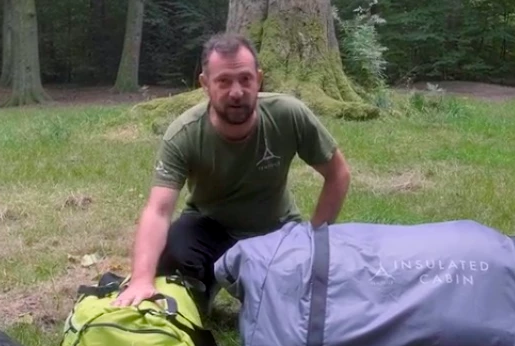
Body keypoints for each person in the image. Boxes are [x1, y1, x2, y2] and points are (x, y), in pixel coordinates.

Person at [112, 32, 352, 310]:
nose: (236, 92)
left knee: (300, 295)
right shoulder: (184, 133)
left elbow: (338, 174)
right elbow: (158, 210)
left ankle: (265, 286)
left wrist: (312, 239)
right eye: (223, 81)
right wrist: (141, 279)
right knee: (171, 258)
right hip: (210, 227)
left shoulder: (289, 114)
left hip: (276, 230)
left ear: (258, 79)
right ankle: (204, 288)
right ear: (205, 84)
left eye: (245, 79)